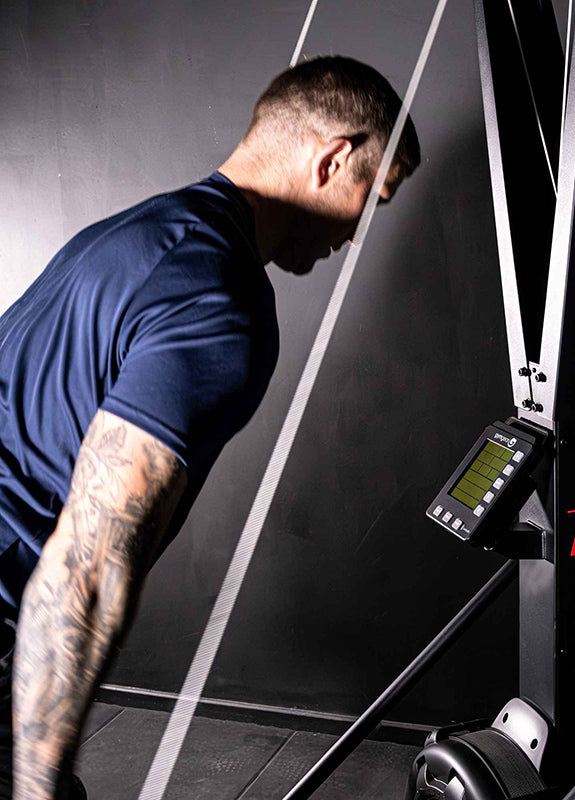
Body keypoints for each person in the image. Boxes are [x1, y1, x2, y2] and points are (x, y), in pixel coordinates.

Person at [0, 55, 420, 799]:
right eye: (373, 198)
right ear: (335, 157)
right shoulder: (219, 298)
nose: (355, 237)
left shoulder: (128, 235)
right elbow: (89, 571)